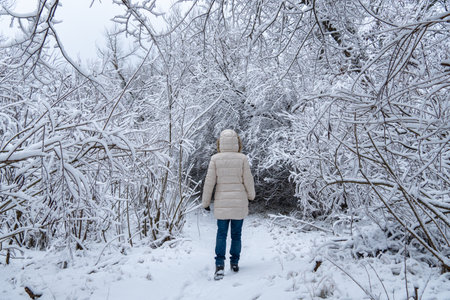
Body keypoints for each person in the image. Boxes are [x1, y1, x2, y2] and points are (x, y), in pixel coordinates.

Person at [202, 129, 255, 280]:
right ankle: (235, 262)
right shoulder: (242, 158)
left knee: (221, 234)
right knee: (236, 235)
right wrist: (251, 196)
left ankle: (219, 265)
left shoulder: (215, 159)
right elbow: (248, 180)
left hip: (222, 204)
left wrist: (205, 202)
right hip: (239, 203)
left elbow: (209, 182)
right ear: (237, 142)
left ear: (220, 143)